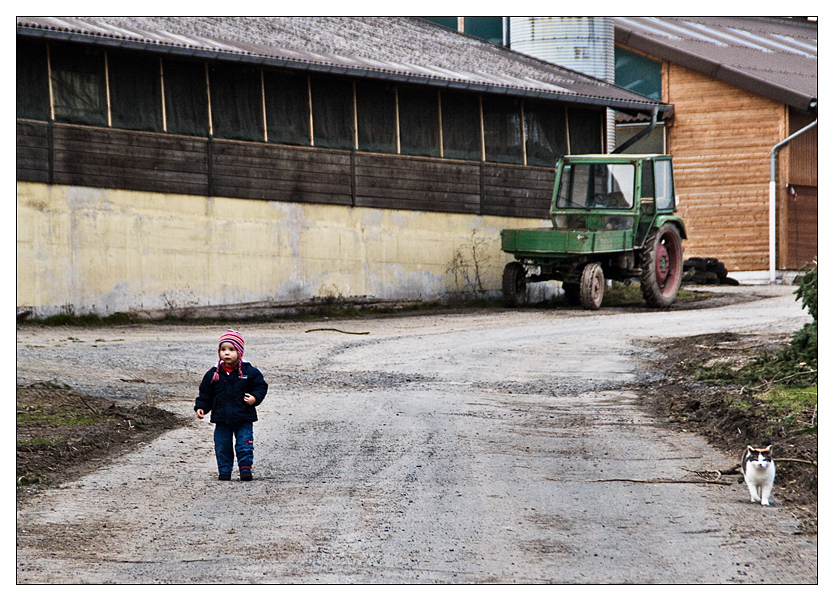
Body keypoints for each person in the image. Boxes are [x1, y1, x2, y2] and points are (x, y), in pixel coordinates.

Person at [195, 330, 268, 481]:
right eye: (223, 350)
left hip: (243, 417)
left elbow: (261, 386)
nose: (226, 353)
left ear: (240, 352)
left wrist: (255, 398)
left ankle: (245, 469)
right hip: (221, 418)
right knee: (222, 446)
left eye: (231, 349)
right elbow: (206, 393)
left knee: (244, 443)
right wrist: (201, 406)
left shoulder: (249, 372)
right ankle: (224, 471)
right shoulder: (214, 374)